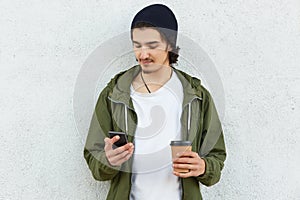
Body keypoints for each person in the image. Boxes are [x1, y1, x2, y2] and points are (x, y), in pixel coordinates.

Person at [84, 4, 226, 200]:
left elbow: (216, 157)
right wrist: (108, 160)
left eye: (152, 45)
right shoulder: (113, 94)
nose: (142, 54)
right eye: (137, 45)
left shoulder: (197, 96)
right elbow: (94, 159)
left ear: (169, 44)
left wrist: (203, 167)